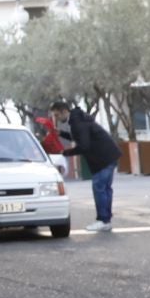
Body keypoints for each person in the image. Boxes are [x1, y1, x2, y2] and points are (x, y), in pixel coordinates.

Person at [51, 100, 120, 233]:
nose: (56, 119)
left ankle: (103, 221)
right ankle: (106, 220)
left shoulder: (77, 123)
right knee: (105, 189)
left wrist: (65, 153)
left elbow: (84, 145)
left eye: (57, 115)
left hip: (103, 159)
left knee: (99, 189)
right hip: (109, 155)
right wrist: (62, 133)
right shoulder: (78, 119)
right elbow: (80, 137)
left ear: (64, 111)